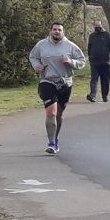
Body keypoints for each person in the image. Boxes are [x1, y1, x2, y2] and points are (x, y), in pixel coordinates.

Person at [28, 22, 86, 155]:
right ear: (50, 31)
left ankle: (56, 138)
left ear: (63, 32)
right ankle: (51, 143)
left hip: (65, 82)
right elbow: (33, 57)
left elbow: (82, 61)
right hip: (47, 81)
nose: (57, 32)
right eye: (54, 29)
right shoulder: (41, 45)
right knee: (51, 113)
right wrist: (37, 66)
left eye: (59, 30)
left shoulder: (70, 46)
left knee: (58, 114)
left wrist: (70, 62)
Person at [85, 20, 110, 102]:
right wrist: (90, 58)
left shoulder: (107, 35)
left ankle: (104, 96)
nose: (97, 27)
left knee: (105, 80)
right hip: (94, 62)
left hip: (105, 61)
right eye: (95, 26)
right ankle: (92, 95)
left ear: (101, 25)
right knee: (94, 79)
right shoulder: (92, 36)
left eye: (98, 26)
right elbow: (89, 48)